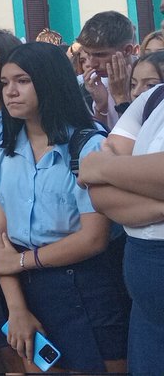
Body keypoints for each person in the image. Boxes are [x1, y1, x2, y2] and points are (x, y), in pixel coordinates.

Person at [0, 43, 129, 373]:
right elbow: (0, 239)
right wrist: (16, 308)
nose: (10, 92)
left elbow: (94, 239)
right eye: (5, 83)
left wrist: (21, 261)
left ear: (49, 81)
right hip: (28, 288)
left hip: (89, 285)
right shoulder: (1, 153)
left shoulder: (88, 145)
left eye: (22, 81)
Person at [80, 75, 164, 376]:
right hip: (147, 305)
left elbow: (97, 168)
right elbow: (99, 193)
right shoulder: (153, 99)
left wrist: (105, 167)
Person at [77, 11, 138, 128]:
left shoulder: (150, 80)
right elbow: (101, 139)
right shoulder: (96, 83)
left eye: (100, 55)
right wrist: (101, 107)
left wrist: (121, 98)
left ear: (127, 50)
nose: (92, 63)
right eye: (88, 54)